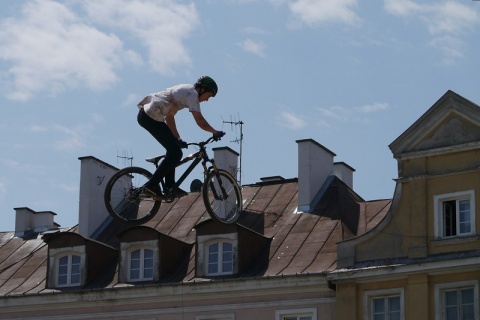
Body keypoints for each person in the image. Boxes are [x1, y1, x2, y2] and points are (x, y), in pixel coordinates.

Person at [137, 76, 225, 198]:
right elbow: (200, 121)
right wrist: (215, 132)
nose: (207, 100)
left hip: (149, 117)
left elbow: (170, 118)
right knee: (175, 154)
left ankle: (169, 186)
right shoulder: (192, 94)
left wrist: (177, 139)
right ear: (203, 89)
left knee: (174, 152)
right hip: (150, 117)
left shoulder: (184, 94)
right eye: (208, 96)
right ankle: (150, 186)